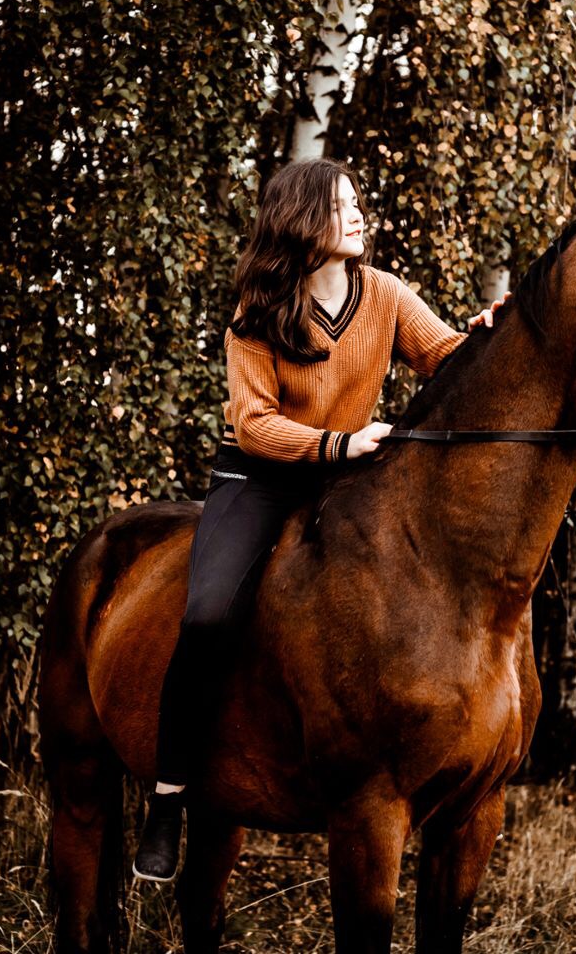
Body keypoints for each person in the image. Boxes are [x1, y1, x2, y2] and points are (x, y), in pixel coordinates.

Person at [132, 157, 510, 882]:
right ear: (303, 220)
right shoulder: (258, 312)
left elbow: (450, 363)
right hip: (261, 479)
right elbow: (253, 425)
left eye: (357, 200)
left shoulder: (387, 294)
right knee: (209, 616)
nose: (359, 214)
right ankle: (170, 796)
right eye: (342, 205)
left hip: (351, 478)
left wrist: (488, 335)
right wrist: (339, 442)